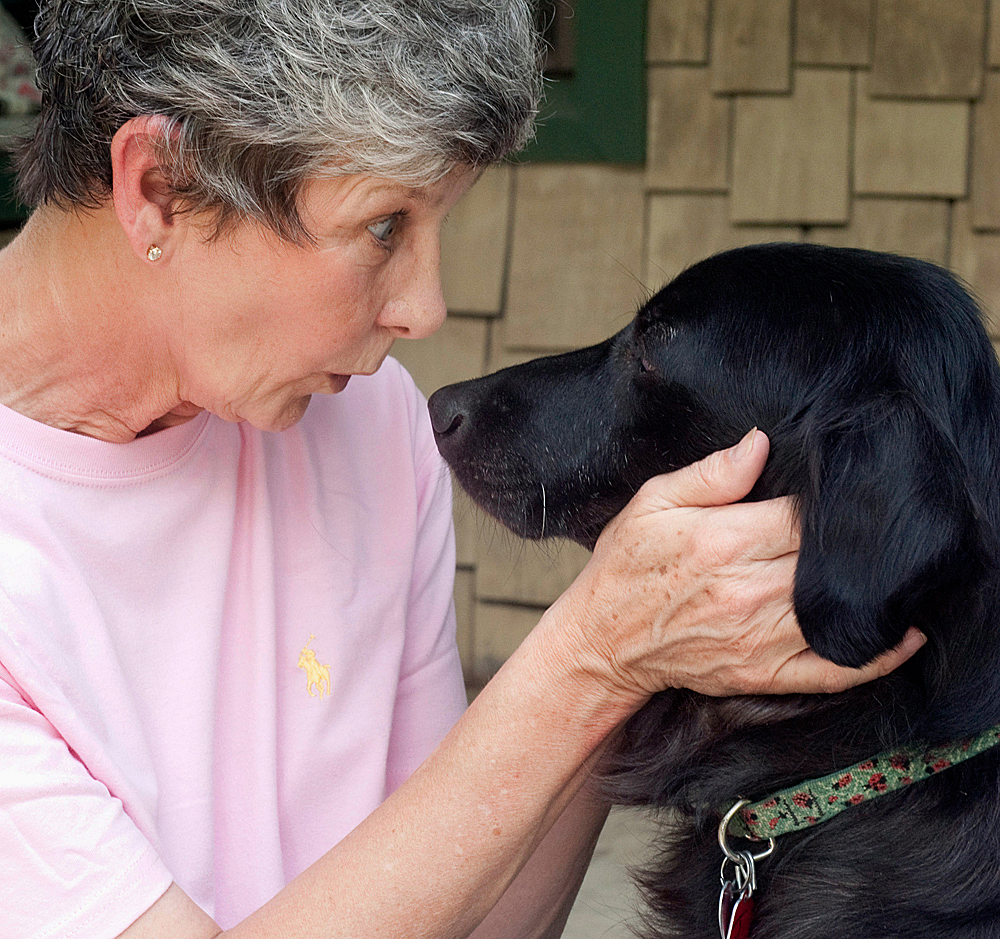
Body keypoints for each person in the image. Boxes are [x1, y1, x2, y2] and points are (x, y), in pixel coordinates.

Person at [0, 2, 924, 937]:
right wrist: (591, 656)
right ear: (159, 189)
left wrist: (648, 645)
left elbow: (480, 918)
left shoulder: (366, 427)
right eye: (384, 226)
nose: (426, 307)